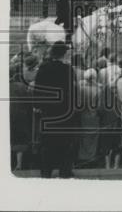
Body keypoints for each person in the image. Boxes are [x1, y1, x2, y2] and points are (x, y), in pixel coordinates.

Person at [34, 42, 78, 178]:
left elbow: (38, 89)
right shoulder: (68, 69)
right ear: (64, 54)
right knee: (65, 142)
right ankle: (64, 171)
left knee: (47, 142)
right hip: (64, 110)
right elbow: (72, 91)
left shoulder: (43, 68)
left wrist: (38, 106)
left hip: (48, 110)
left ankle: (46, 171)